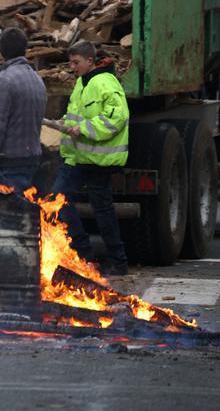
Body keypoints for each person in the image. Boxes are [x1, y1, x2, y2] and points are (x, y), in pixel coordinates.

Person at [53, 40, 130, 276]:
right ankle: (86, 255)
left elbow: (117, 118)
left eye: (76, 63)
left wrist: (84, 128)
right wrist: (65, 124)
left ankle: (116, 260)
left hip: (97, 160)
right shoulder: (82, 83)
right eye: (71, 63)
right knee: (58, 199)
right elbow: (76, 116)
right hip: (77, 157)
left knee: (102, 209)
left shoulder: (105, 83)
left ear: (90, 61)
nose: (73, 67)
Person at [0, 27, 46, 191]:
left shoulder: (3, 81)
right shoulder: (37, 79)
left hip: (10, 160)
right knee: (23, 211)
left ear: (2, 50)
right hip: (31, 156)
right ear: (25, 49)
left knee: (8, 212)